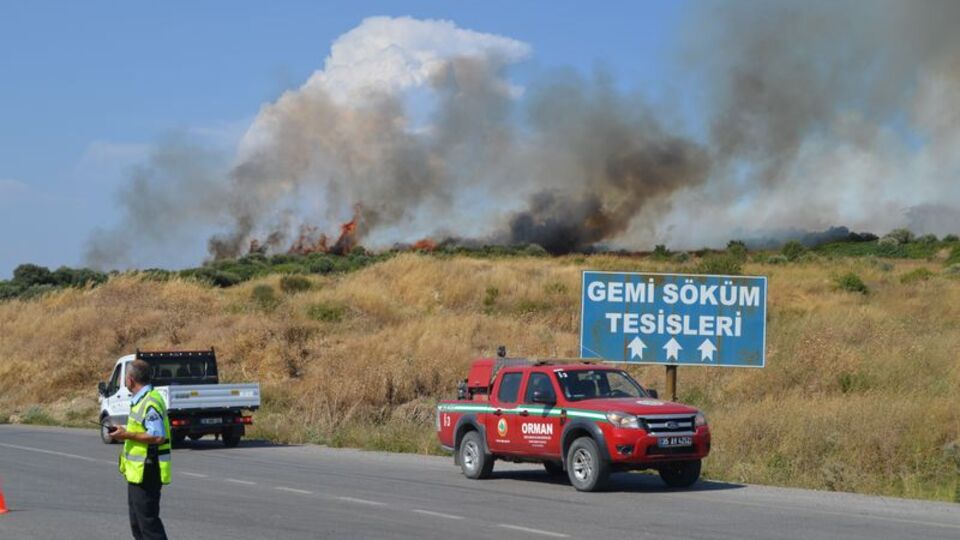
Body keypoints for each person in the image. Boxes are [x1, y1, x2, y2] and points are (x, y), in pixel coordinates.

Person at [110, 359, 171, 540]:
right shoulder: (142, 400)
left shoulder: (150, 402)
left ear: (130, 379)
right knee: (138, 524)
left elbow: (158, 436)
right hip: (138, 472)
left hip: (148, 470)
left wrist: (126, 435)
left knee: (148, 525)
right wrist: (125, 431)